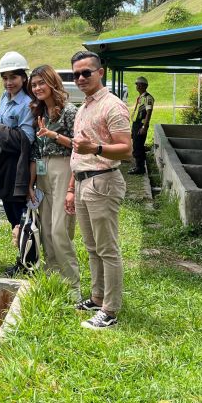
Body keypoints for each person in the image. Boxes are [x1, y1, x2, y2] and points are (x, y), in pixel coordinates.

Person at [68, 50, 132, 330]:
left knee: (107, 248)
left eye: (86, 73)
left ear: (100, 72)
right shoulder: (84, 107)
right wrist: (71, 187)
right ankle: (96, 298)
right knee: (92, 247)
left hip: (103, 179)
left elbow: (127, 149)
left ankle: (111, 309)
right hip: (83, 181)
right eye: (76, 74)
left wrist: (95, 148)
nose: (81, 78)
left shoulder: (112, 105)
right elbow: (76, 153)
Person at [27, 64, 80, 300]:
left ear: (52, 82)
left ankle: (73, 287)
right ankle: (53, 279)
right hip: (43, 171)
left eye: (41, 83)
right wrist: (32, 181)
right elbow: (36, 150)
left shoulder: (70, 110)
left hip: (64, 167)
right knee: (46, 229)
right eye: (34, 84)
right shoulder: (39, 113)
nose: (37, 88)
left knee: (60, 230)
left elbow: (80, 145)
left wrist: (54, 135)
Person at [0, 51, 34, 241]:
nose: (8, 82)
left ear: (23, 77)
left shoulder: (27, 104)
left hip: (17, 165)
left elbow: (26, 139)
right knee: (10, 212)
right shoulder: (4, 97)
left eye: (13, 77)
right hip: (3, 163)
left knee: (20, 214)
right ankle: (21, 257)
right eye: (4, 78)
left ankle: (27, 260)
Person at [129, 76, 155, 175]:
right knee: (136, 145)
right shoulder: (141, 98)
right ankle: (138, 166)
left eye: (140, 84)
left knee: (138, 146)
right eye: (137, 84)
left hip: (141, 125)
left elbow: (149, 112)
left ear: (145, 86)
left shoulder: (148, 98)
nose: (138, 86)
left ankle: (140, 168)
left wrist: (144, 126)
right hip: (136, 124)